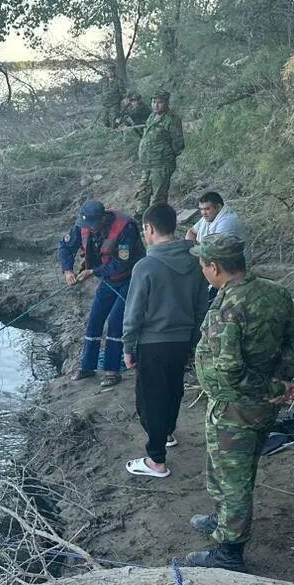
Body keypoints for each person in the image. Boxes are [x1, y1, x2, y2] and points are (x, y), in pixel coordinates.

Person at [186, 235, 294, 571]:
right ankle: (225, 518)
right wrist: (283, 380)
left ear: (214, 267)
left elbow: (229, 368)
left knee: (233, 476)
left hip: (235, 408)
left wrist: (271, 386)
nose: (201, 268)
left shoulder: (229, 308)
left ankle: (229, 553)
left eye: (203, 263)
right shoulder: (275, 292)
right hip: (262, 405)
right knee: (233, 469)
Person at [122, 204, 208, 479]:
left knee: (149, 400)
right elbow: (201, 306)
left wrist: (127, 346)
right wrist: (194, 339)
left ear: (149, 229)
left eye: (144, 230)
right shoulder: (195, 262)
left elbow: (133, 312)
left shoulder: (145, 266)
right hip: (183, 340)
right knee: (173, 390)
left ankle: (156, 460)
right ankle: (167, 432)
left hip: (153, 343)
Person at [58, 199, 144, 388]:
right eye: (87, 224)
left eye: (93, 225)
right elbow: (65, 247)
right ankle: (87, 366)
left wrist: (93, 272)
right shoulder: (81, 226)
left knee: (115, 320)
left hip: (130, 278)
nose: (90, 228)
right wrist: (68, 271)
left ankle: (112, 371)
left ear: (103, 218)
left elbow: (122, 263)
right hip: (108, 279)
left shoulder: (125, 228)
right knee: (95, 317)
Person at [136, 90, 185, 216]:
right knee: (143, 191)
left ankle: (155, 220)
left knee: (159, 195)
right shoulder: (152, 117)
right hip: (147, 163)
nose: (156, 105)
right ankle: (140, 215)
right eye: (153, 102)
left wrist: (167, 156)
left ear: (166, 103)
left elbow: (178, 144)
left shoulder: (172, 119)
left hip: (162, 164)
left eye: (159, 102)